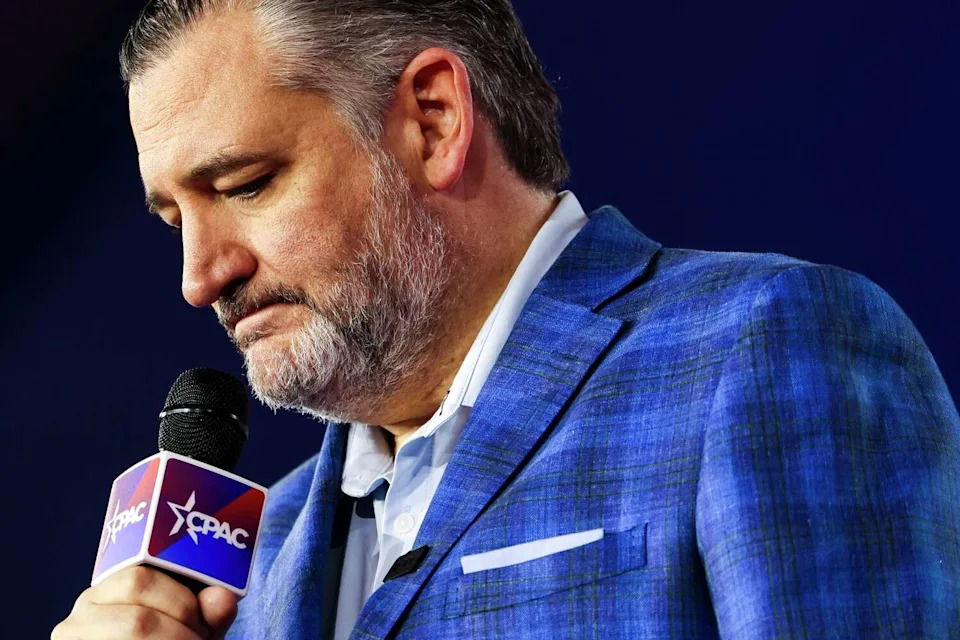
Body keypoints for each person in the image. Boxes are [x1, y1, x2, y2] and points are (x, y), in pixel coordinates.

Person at [53, 0, 960, 638]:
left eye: (246, 184)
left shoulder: (763, 346)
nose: (201, 278)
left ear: (434, 120)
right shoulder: (252, 561)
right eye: (173, 221)